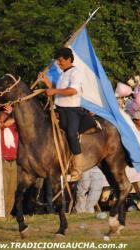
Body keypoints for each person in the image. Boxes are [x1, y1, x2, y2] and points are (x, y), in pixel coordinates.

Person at [39, 47, 84, 182]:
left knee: (71, 134)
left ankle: (78, 169)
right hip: (59, 110)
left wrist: (54, 91)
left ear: (69, 59)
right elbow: (54, 89)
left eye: (61, 60)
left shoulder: (75, 72)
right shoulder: (63, 74)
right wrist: (45, 80)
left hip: (72, 111)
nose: (59, 63)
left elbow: (72, 91)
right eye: (58, 60)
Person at [0, 105, 19, 216]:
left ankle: (8, 212)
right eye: (3, 114)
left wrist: (13, 112)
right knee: (4, 189)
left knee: (12, 189)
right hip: (3, 161)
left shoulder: (14, 125)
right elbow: (3, 124)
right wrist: (12, 114)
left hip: (14, 161)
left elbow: (20, 118)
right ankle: (2, 213)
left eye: (7, 114)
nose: (5, 116)